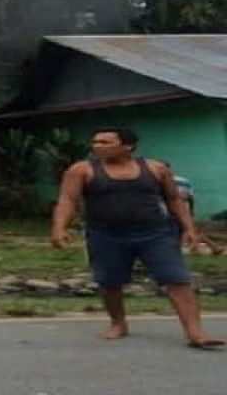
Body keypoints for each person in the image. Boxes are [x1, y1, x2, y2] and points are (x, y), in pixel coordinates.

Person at [51, 127, 223, 349]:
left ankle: (195, 333)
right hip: (105, 234)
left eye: (106, 142)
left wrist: (189, 228)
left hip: (155, 233)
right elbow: (67, 200)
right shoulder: (82, 170)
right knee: (109, 281)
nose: (98, 146)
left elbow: (174, 199)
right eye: (95, 142)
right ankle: (118, 323)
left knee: (177, 278)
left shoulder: (155, 168)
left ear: (127, 146)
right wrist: (59, 228)